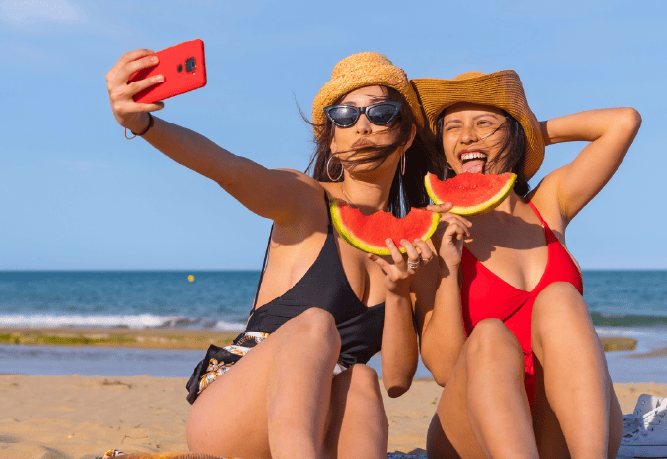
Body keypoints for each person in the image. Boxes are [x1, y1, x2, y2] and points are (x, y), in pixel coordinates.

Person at [105, 51, 440, 459]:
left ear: (405, 136)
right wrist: (144, 124)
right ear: (331, 141)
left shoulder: (413, 245)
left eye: (381, 111)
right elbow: (227, 167)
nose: (363, 125)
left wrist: (400, 289)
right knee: (315, 325)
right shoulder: (304, 204)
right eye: (344, 115)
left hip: (326, 421)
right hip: (237, 413)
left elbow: (399, 381)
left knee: (363, 378)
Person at [411, 71, 641, 458]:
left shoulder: (549, 205)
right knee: (488, 335)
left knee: (562, 297)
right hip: (477, 427)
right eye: (453, 127)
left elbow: (623, 121)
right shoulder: (431, 228)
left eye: (484, 123)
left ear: (514, 134)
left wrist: (528, 137)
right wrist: (448, 265)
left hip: (567, 425)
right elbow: (444, 370)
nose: (467, 136)